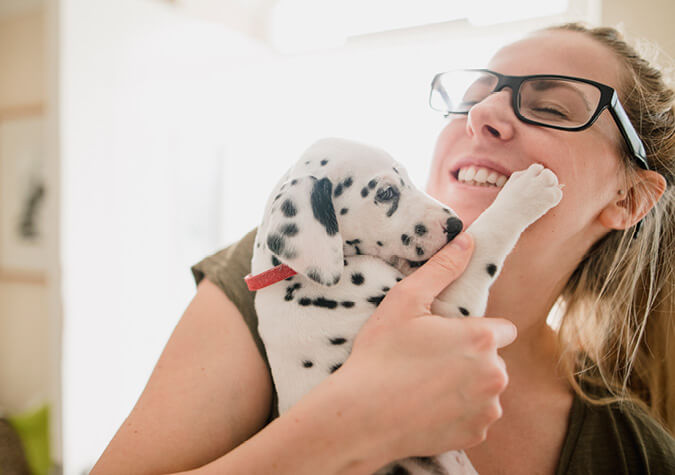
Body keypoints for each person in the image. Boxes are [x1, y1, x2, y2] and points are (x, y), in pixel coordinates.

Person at [92, 22, 675, 474]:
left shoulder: (635, 455)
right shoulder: (287, 273)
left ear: (628, 199)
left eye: (551, 108)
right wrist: (350, 427)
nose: (484, 114)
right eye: (473, 98)